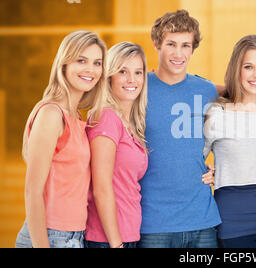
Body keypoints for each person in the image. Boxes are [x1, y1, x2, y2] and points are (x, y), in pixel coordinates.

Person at [137, 9, 221, 248]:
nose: (178, 53)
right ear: (156, 43)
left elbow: (245, 94)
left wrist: (220, 169)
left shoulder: (206, 90)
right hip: (154, 225)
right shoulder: (137, 89)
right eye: (171, 44)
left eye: (186, 45)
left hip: (202, 221)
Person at [15, 30, 107, 248]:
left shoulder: (75, 116)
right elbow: (32, 192)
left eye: (97, 63)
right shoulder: (51, 114)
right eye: (81, 60)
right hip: (50, 237)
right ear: (64, 64)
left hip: (74, 236)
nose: (90, 69)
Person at [203, 35, 256, 248]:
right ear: (236, 69)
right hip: (233, 227)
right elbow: (191, 159)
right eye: (248, 66)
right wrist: (206, 170)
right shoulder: (217, 114)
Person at [84, 42, 149, 248]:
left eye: (138, 72)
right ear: (109, 76)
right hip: (107, 240)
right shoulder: (106, 117)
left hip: (129, 234)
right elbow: (101, 187)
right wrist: (116, 243)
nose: (132, 80)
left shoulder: (132, 124)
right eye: (123, 71)